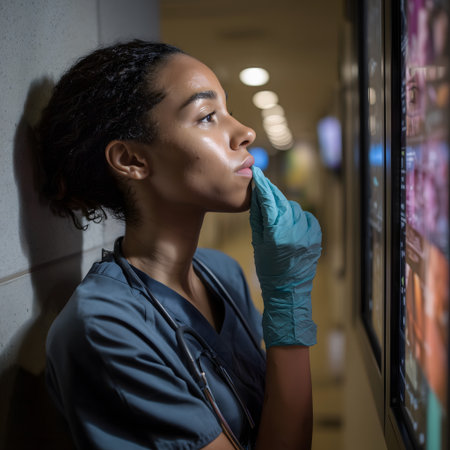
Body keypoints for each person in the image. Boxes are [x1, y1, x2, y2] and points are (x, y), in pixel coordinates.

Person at [37, 40, 322, 450]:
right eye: (207, 116)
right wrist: (289, 303)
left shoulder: (222, 273)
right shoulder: (103, 328)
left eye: (226, 110)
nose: (244, 132)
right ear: (131, 160)